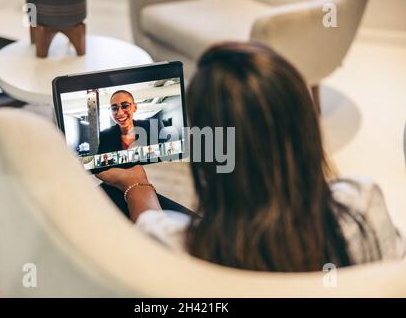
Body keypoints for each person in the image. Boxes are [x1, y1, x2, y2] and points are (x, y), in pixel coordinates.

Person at [96, 42, 405, 272]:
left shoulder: (173, 246)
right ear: (307, 131)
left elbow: (153, 228)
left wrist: (136, 186)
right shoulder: (363, 206)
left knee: (109, 194)